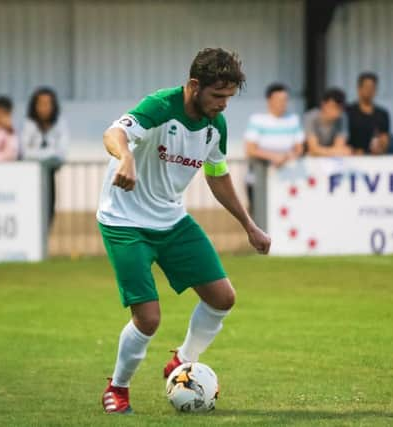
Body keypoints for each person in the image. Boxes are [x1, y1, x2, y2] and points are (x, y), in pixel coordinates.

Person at [96, 48, 271, 414]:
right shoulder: (161, 105)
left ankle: (182, 361)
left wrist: (249, 226)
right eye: (217, 95)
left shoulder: (214, 125)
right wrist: (125, 157)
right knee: (148, 319)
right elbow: (114, 133)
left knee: (223, 297)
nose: (223, 105)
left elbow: (217, 176)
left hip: (172, 221)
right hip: (125, 222)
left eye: (228, 97)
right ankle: (118, 388)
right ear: (194, 85)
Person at [244, 83, 304, 223]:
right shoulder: (257, 120)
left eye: (285, 100)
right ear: (269, 100)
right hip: (259, 179)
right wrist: (274, 157)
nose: (283, 103)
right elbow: (250, 149)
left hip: (287, 180)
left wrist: (287, 157)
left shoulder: (293, 120)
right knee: (261, 220)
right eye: (279, 100)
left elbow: (299, 148)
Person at [20, 87, 69, 228]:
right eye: (41, 103)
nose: (44, 108)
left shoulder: (60, 123)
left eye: (48, 103)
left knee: (48, 215)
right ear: (34, 105)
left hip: (49, 176)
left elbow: (60, 154)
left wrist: (36, 155)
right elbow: (24, 152)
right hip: (28, 178)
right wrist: (49, 154)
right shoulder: (28, 124)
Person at [346, 72, 390, 155]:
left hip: (373, 158)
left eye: (372, 88)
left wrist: (380, 148)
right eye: (366, 87)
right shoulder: (347, 111)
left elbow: (385, 140)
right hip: (350, 157)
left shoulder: (382, 114)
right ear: (359, 89)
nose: (369, 91)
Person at [304, 88, 352, 156]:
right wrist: (336, 151)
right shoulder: (310, 117)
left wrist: (320, 151)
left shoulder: (342, 118)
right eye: (334, 107)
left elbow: (339, 147)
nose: (337, 112)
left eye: (340, 108)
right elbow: (313, 149)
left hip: (333, 160)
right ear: (323, 105)